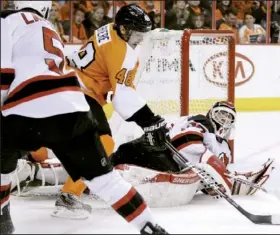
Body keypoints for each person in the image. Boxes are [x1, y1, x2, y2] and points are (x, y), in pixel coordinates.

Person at [0, 1, 169, 234]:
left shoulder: (107, 31)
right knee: (105, 157)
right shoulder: (118, 49)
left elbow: (5, 73)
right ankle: (143, 223)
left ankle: (10, 198)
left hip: (42, 98)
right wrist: (149, 120)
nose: (139, 39)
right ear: (123, 29)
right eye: (136, 33)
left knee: (15, 147)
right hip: (74, 98)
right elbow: (123, 96)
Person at [12, 101, 275, 207]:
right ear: (209, 114)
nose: (220, 119)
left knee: (102, 168)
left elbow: (210, 184)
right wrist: (225, 175)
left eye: (227, 116)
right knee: (105, 167)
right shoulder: (201, 124)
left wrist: (235, 179)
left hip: (152, 155)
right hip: (159, 154)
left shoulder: (224, 147)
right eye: (218, 113)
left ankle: (34, 172)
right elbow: (186, 142)